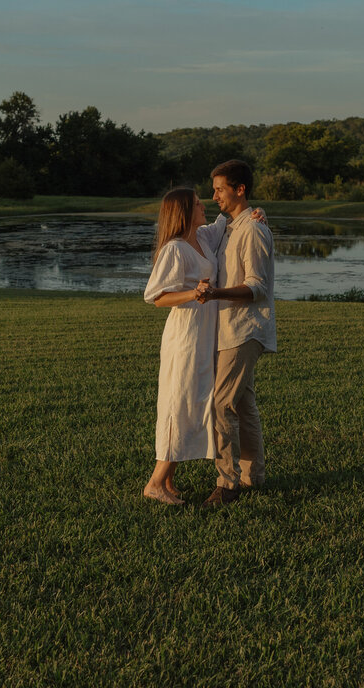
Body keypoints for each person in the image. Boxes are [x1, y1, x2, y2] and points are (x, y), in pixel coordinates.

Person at [196, 159, 276, 508]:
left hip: (245, 330)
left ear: (239, 189)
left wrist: (216, 294)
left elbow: (257, 287)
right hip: (229, 329)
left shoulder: (253, 230)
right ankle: (252, 476)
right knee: (243, 405)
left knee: (221, 404)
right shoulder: (231, 226)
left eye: (219, 189)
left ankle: (227, 484)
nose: (214, 196)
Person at [142, 187, 223, 505]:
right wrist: (192, 293)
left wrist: (257, 214)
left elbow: (224, 224)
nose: (204, 206)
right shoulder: (175, 249)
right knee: (179, 404)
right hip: (185, 337)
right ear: (185, 212)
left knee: (191, 402)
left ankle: (169, 481)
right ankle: (155, 483)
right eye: (198, 204)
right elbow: (156, 297)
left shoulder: (202, 238)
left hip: (204, 335)